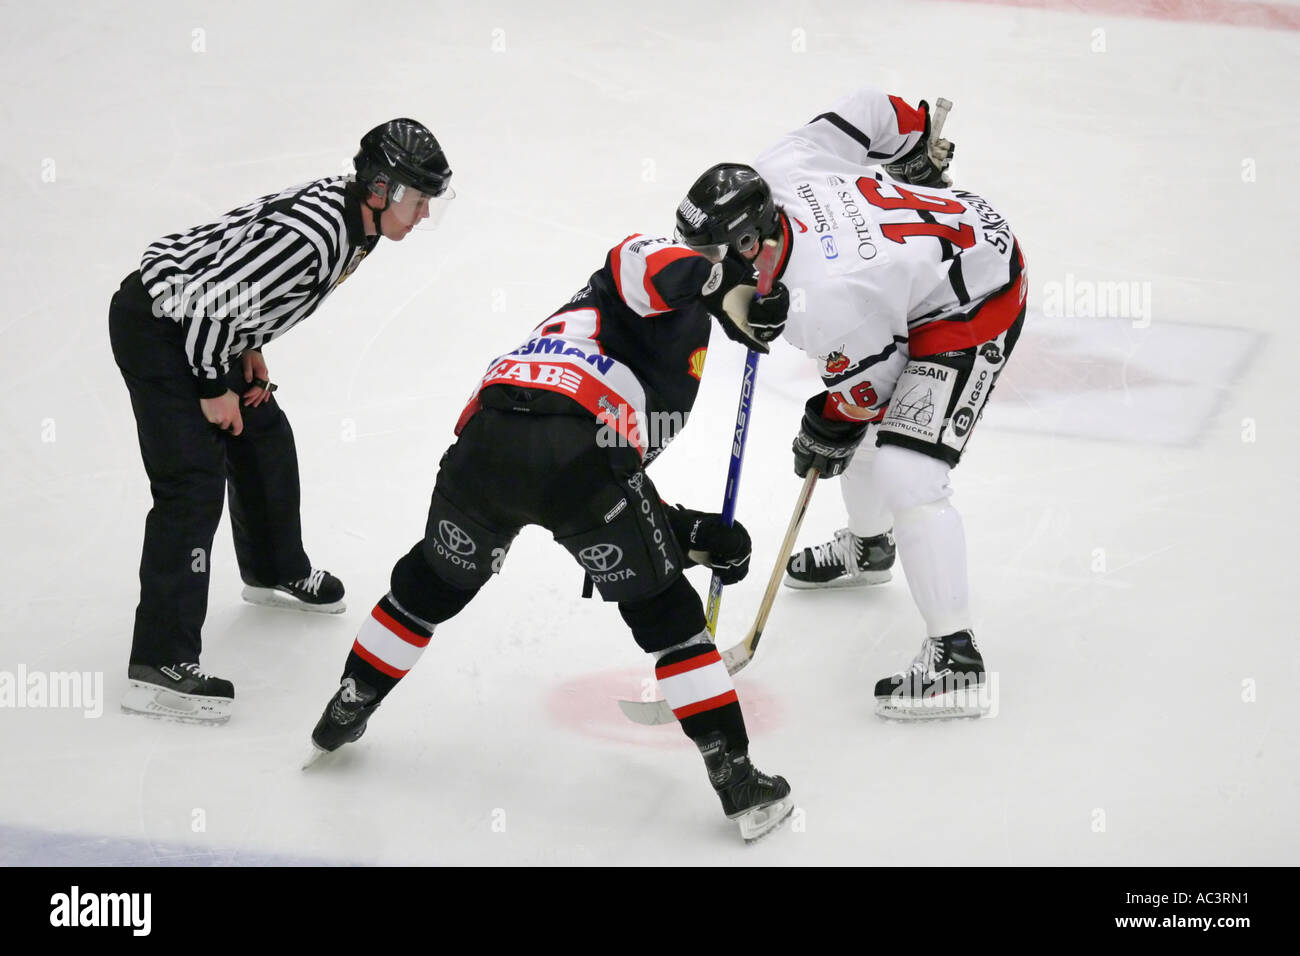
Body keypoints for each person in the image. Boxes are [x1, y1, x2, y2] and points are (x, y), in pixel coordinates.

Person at [307, 169, 794, 842]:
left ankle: (350, 701)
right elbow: (648, 267)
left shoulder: (650, 333)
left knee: (429, 582)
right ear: (739, 242)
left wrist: (685, 532)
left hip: (486, 445)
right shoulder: (647, 268)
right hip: (575, 457)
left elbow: (609, 471)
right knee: (668, 618)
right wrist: (723, 284)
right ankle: (737, 778)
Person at [110, 119, 454, 724]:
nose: (423, 213)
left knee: (263, 433)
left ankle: (273, 570)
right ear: (379, 189)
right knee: (191, 483)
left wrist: (250, 347)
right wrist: (213, 386)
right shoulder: (314, 235)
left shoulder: (361, 224)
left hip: (207, 327)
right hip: (162, 327)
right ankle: (156, 665)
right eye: (417, 199)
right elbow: (211, 307)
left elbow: (242, 282)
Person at [746, 86, 1026, 719]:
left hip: (975, 300)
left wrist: (830, 422)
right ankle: (870, 548)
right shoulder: (777, 171)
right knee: (874, 436)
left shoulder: (827, 301)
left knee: (908, 468)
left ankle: (957, 660)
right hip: (941, 233)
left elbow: (872, 392)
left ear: (754, 246)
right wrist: (915, 148)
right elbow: (872, 108)